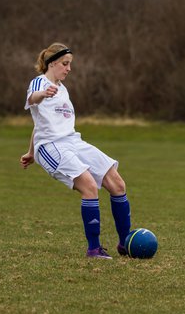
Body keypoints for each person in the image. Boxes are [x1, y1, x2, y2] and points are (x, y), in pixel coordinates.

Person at [20, 42, 131, 259]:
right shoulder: (39, 83)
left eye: (70, 64)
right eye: (65, 64)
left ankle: (125, 242)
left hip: (72, 141)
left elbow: (39, 123)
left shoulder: (63, 89)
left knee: (117, 183)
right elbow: (33, 100)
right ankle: (94, 248)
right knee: (89, 186)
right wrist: (43, 94)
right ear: (52, 63)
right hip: (51, 147)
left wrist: (29, 152)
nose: (69, 68)